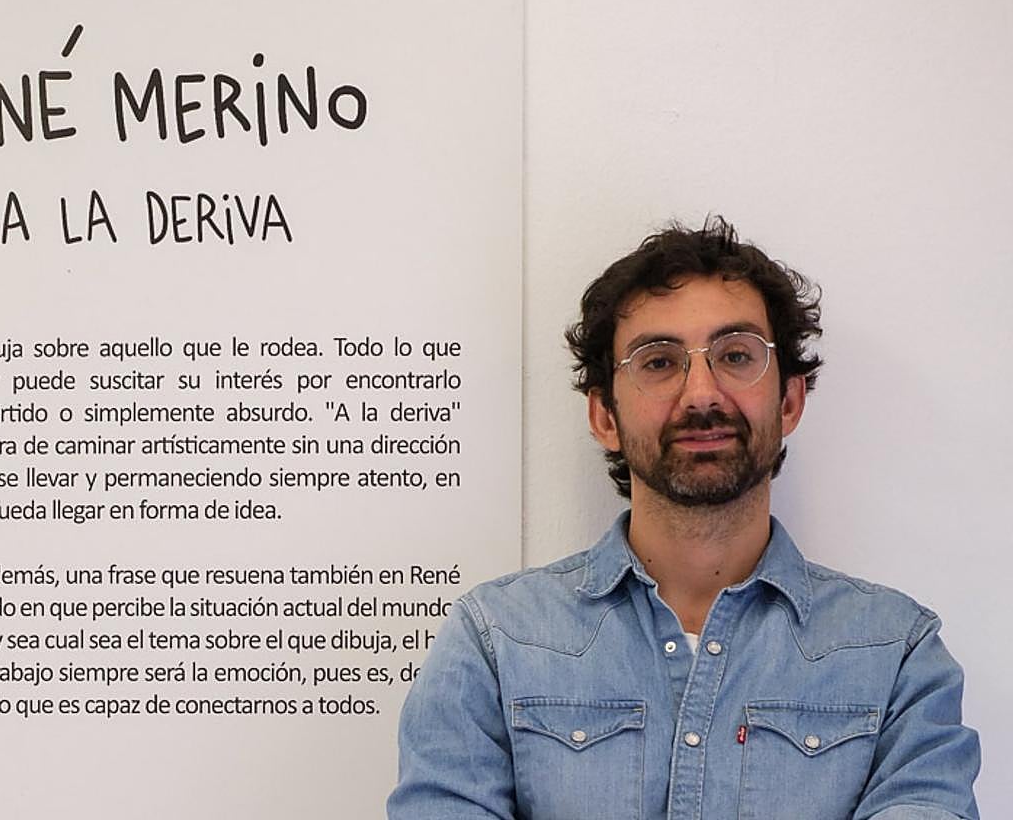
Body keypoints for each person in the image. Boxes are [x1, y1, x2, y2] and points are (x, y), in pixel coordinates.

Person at [388, 218, 980, 819]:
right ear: (605, 418)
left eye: (736, 355)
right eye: (659, 362)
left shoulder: (897, 656)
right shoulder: (494, 644)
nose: (701, 393)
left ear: (790, 401)